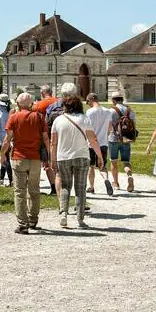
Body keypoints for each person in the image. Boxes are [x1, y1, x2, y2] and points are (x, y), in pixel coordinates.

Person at [51, 94, 104, 228]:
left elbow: (53, 143)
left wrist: (52, 159)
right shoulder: (84, 119)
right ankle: (80, 219)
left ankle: (63, 214)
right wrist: (99, 156)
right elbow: (93, 140)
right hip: (82, 156)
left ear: (65, 106)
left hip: (63, 157)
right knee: (80, 188)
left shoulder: (58, 120)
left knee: (65, 186)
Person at [1, 93, 49, 234]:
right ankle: (33, 219)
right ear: (31, 103)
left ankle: (23, 224)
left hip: (19, 157)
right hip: (35, 158)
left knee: (19, 191)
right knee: (34, 190)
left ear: (18, 103)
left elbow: (7, 139)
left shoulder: (14, 117)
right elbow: (45, 138)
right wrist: (49, 156)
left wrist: (3, 154)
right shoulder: (39, 117)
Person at [85, 93, 114, 196]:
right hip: (103, 142)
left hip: (91, 144)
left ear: (91, 100)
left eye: (87, 101)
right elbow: (110, 129)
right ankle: (106, 179)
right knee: (102, 166)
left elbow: (87, 128)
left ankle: (92, 187)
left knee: (91, 166)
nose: (87, 103)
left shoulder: (89, 112)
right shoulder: (108, 111)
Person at [108, 92, 137, 192]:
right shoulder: (130, 110)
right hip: (126, 139)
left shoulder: (111, 110)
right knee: (126, 161)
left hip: (114, 139)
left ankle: (116, 183)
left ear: (114, 100)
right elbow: (134, 124)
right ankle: (129, 176)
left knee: (113, 161)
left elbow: (109, 125)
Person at [0, 93, 13, 186]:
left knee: (6, 158)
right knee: (5, 157)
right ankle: (1, 178)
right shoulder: (10, 111)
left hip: (1, 137)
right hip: (9, 137)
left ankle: (11, 180)